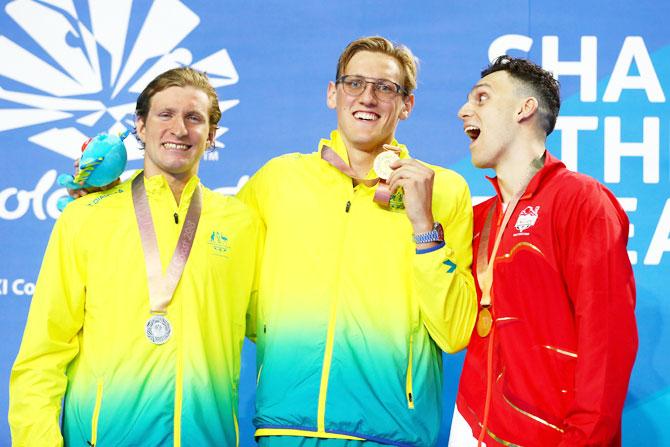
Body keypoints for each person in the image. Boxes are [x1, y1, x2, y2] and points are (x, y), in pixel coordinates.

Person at [238, 36, 477, 447]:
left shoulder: (443, 190)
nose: (367, 97)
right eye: (354, 83)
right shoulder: (278, 180)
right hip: (283, 428)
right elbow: (215, 261)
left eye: (385, 88)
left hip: (390, 432)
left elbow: (455, 331)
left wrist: (423, 225)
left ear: (406, 105)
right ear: (333, 94)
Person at [9, 67, 263, 446]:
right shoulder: (86, 217)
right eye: (165, 114)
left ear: (211, 135)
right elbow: (43, 353)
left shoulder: (241, 223)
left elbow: (276, 329)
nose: (179, 129)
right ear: (140, 126)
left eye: (194, 117)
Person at [450, 55, 638, 446]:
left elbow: (606, 344)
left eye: (481, 98)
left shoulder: (581, 201)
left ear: (525, 108)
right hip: (470, 426)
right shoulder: (477, 219)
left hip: (549, 435)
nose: (463, 110)